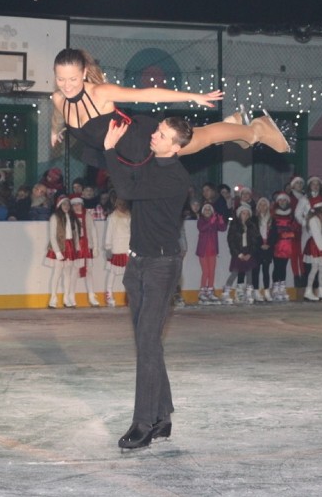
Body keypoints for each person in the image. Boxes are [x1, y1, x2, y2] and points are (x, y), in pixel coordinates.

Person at [103, 115, 192, 450]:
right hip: (138, 263)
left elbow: (126, 189)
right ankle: (163, 414)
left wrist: (109, 150)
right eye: (157, 130)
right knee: (149, 342)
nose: (155, 136)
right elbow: (128, 176)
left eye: (162, 134)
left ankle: (144, 424)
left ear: (176, 146)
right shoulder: (153, 162)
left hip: (161, 266)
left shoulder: (176, 177)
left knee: (147, 343)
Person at [50, 48, 289, 170]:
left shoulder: (99, 93)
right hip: (125, 157)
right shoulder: (58, 99)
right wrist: (54, 131)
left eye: (73, 79)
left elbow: (147, 95)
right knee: (200, 138)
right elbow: (58, 115)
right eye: (61, 80)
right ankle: (233, 123)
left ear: (83, 73)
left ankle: (257, 130)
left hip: (146, 141)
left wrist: (192, 96)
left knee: (202, 139)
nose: (67, 86)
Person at [44, 195, 81, 308]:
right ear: (59, 205)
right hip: (60, 247)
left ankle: (66, 298)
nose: (66, 206)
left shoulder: (72, 217)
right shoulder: (55, 217)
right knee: (57, 273)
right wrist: (57, 251)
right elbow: (52, 236)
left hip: (69, 247)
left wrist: (77, 247)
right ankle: (53, 299)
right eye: (64, 204)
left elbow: (75, 235)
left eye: (68, 204)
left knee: (68, 274)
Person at [221, 204, 260, 305]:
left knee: (249, 273)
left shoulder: (251, 226)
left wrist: (250, 254)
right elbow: (231, 241)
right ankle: (226, 293)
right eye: (243, 213)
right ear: (239, 214)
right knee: (234, 272)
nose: (245, 216)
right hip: (238, 252)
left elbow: (255, 241)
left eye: (247, 214)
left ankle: (248, 293)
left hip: (248, 252)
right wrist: (238, 254)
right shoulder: (234, 225)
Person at [70, 195, 100, 307]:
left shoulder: (87, 215)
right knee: (75, 272)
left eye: (78, 204)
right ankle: (71, 296)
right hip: (77, 247)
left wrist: (96, 247)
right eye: (74, 205)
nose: (77, 207)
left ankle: (92, 296)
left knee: (89, 271)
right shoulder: (70, 217)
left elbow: (93, 231)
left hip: (87, 246)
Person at [196, 201, 227, 305]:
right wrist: (211, 222)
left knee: (212, 271)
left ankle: (210, 290)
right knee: (205, 271)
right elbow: (202, 228)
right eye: (206, 209)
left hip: (212, 250)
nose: (207, 211)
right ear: (203, 211)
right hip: (203, 250)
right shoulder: (201, 221)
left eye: (209, 209)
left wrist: (221, 221)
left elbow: (222, 229)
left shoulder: (214, 222)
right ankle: (202, 291)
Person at [302, 196, 322, 301]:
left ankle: (321, 290)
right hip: (316, 246)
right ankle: (308, 291)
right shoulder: (314, 219)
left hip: (319, 245)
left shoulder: (319, 218)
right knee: (315, 268)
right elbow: (317, 235)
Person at [103, 197, 131, 307]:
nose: (122, 206)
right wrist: (108, 247)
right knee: (113, 272)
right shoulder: (112, 217)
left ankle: (129, 295)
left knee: (129, 274)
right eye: (120, 204)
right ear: (116, 205)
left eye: (124, 204)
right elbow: (109, 232)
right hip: (117, 248)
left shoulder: (130, 216)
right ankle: (109, 294)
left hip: (128, 248)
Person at [268, 192, 296, 301]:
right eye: (280, 200)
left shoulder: (291, 215)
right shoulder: (273, 214)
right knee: (277, 266)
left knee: (283, 267)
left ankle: (282, 287)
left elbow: (294, 228)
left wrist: (290, 233)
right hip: (277, 243)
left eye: (284, 200)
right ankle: (275, 288)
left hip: (287, 244)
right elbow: (272, 230)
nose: (282, 202)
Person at [252, 197, 274, 302]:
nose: (262, 207)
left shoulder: (271, 219)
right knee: (255, 270)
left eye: (265, 205)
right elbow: (253, 234)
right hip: (257, 247)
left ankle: (266, 291)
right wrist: (260, 243)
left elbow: (275, 234)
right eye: (260, 205)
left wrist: (269, 243)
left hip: (268, 247)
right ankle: (256, 291)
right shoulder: (254, 219)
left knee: (266, 270)